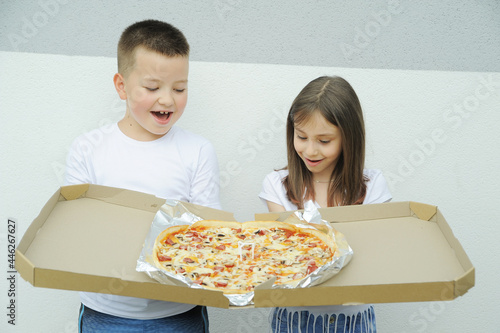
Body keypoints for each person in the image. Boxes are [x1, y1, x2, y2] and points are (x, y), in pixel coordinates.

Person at [64, 19, 220, 333]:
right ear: (121, 86)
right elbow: (76, 232)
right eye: (152, 88)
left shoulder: (198, 150)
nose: (168, 100)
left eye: (180, 88)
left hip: (179, 312)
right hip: (105, 312)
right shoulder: (87, 149)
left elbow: (210, 231)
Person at [259, 76, 392, 332]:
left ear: (348, 139)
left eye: (324, 141)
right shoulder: (276, 184)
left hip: (354, 319)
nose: (310, 151)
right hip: (294, 318)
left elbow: (368, 260)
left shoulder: (374, 185)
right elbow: (289, 261)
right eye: (301, 136)